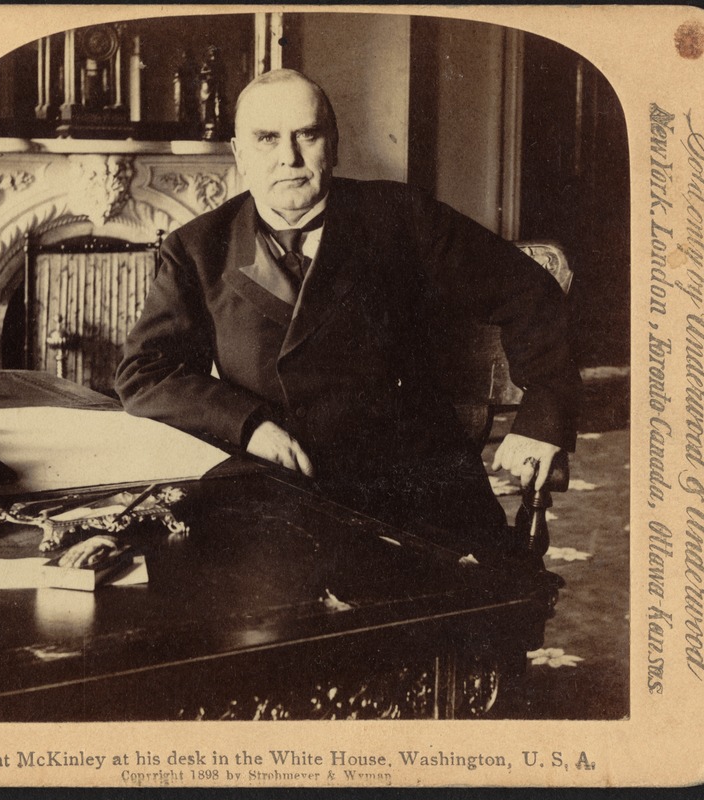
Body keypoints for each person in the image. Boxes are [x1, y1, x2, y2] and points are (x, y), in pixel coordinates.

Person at [99, 69, 577, 566]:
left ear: (335, 144)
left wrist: (544, 413)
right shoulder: (198, 247)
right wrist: (248, 424)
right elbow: (144, 373)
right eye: (267, 139)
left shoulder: (401, 216)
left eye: (307, 134)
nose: (289, 157)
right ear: (239, 154)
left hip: (413, 487)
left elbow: (531, 290)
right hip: (272, 484)